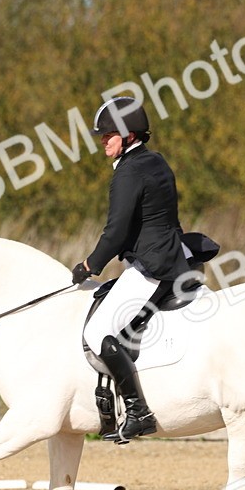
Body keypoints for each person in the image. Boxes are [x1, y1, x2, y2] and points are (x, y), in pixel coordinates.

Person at [72, 96, 190, 442]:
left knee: (97, 333)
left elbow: (116, 231)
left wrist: (90, 265)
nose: (102, 141)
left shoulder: (128, 172)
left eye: (108, 135)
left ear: (128, 135)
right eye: (102, 135)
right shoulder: (155, 160)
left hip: (153, 265)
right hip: (172, 255)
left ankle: (138, 411)